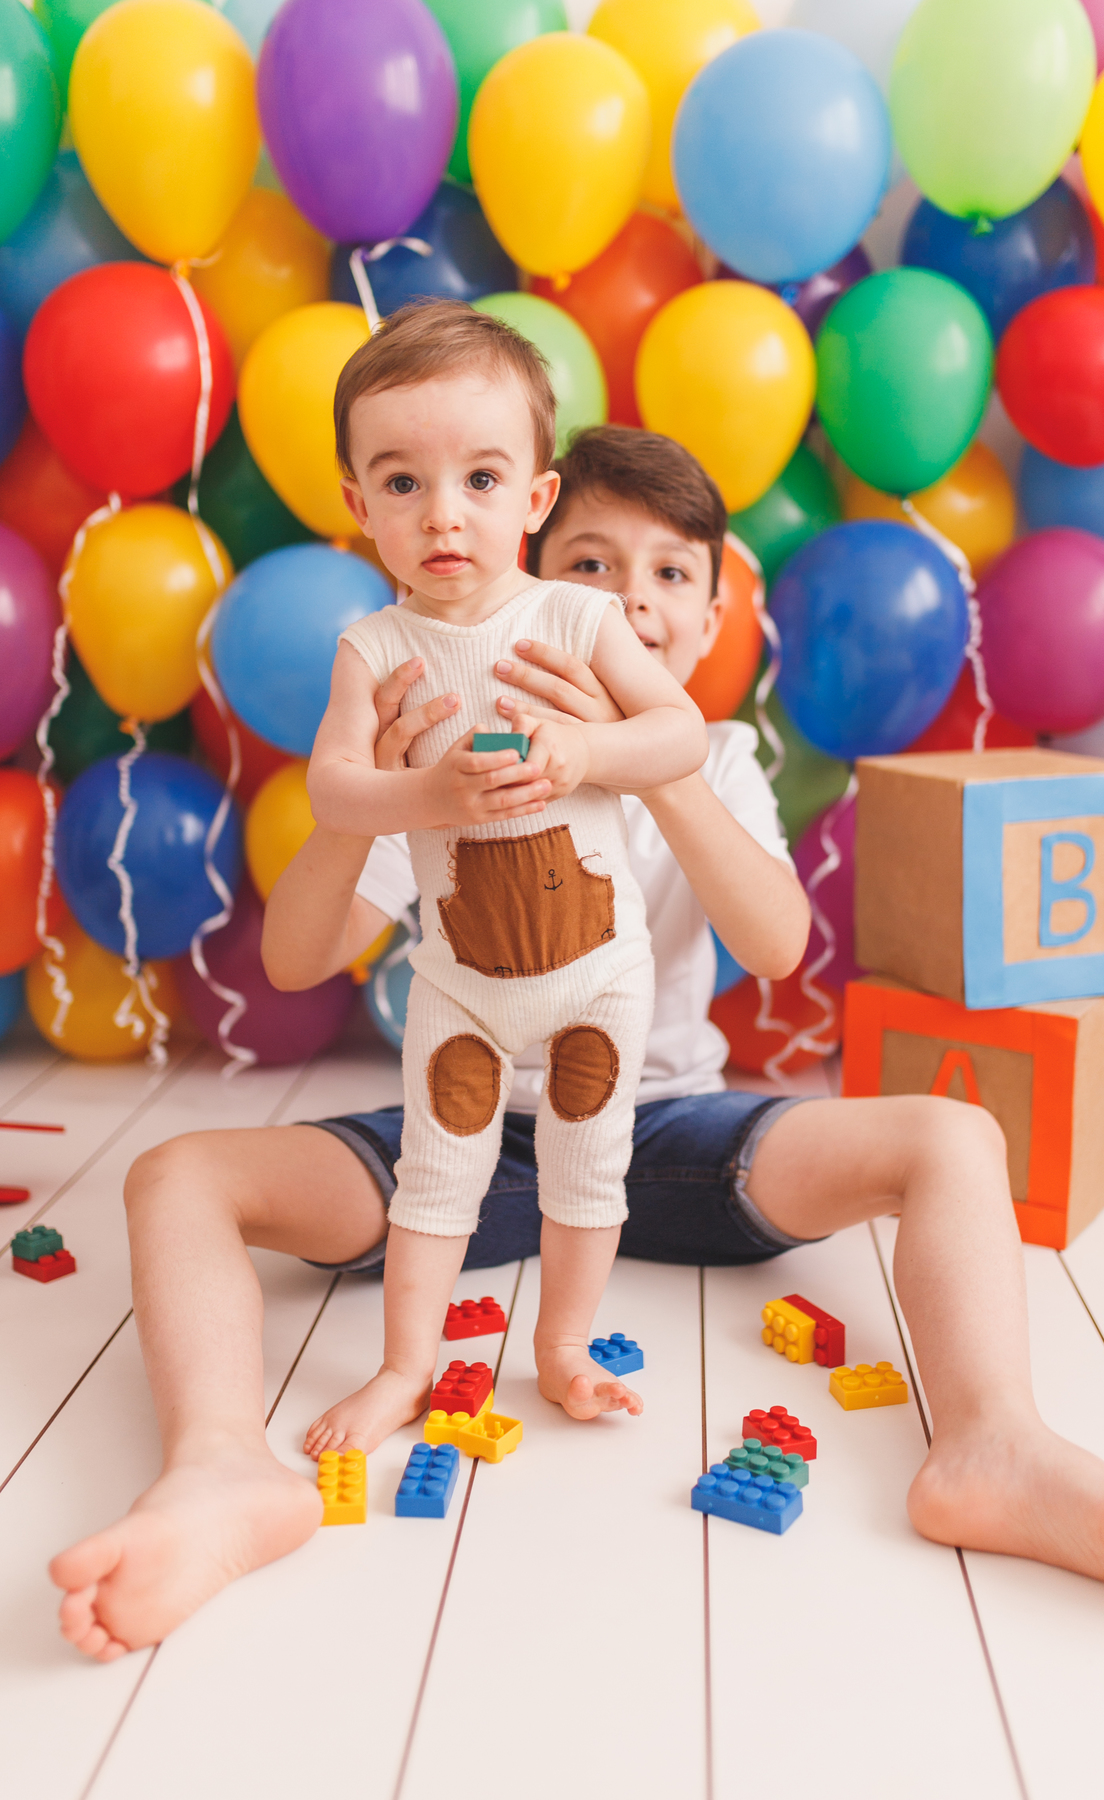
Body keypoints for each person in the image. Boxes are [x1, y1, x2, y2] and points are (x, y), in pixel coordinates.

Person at [49, 422, 1104, 1666]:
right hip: (470, 1130)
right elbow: (294, 964)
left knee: (956, 1133)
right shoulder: (448, 741)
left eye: (670, 578)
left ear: (708, 627)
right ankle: (223, 1466)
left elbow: (771, 944)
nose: (632, 603)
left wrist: (640, 759)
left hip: (667, 1132)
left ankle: (994, 1440)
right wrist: (371, 788)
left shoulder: (715, 757)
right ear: (534, 590)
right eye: (591, 566)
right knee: (176, 1176)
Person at [302, 301, 710, 1451]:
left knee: (592, 1163)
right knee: (434, 1175)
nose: (443, 515)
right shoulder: (374, 649)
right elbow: (335, 790)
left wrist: (587, 751)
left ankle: (564, 1347)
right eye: (401, 484)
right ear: (357, 507)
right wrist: (427, 796)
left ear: (536, 500)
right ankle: (402, 1367)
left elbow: (677, 734)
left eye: (482, 480)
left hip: (599, 973)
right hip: (465, 981)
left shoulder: (577, 617)